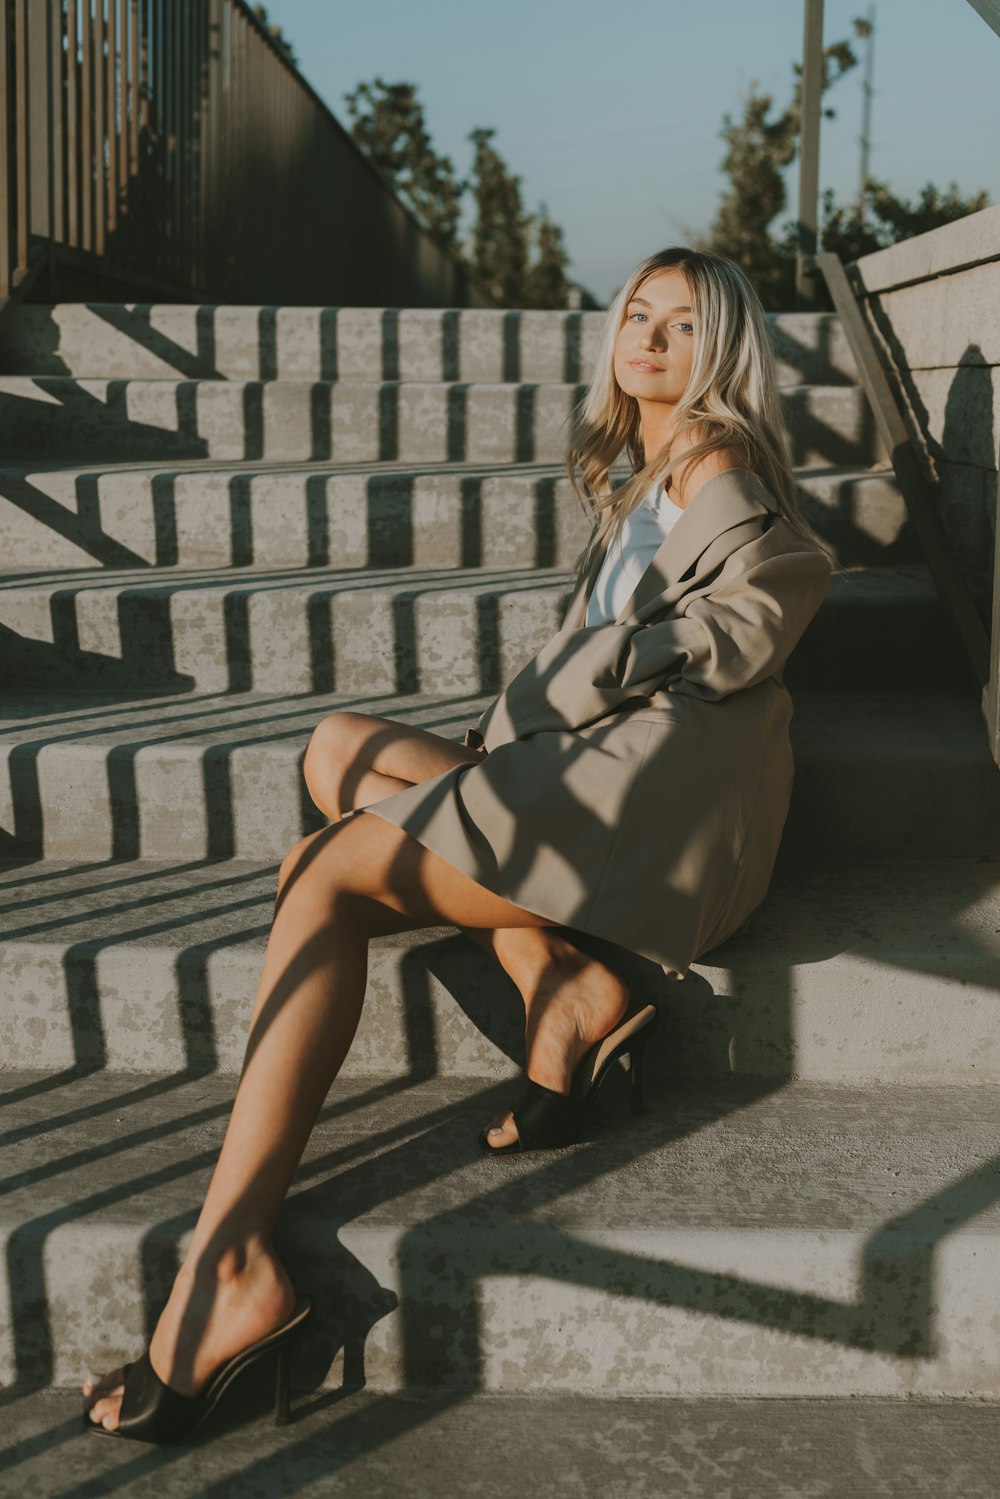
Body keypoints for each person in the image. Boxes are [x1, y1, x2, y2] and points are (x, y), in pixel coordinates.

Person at [82, 247, 833, 1441]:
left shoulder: (716, 458)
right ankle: (570, 982)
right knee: (337, 750)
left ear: (723, 351)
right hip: (590, 779)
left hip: (640, 803)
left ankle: (225, 1266)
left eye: (681, 325)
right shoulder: (644, 475)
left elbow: (770, 595)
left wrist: (593, 677)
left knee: (318, 875)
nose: (647, 339)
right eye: (635, 315)